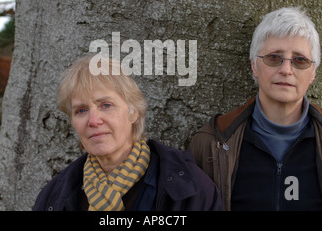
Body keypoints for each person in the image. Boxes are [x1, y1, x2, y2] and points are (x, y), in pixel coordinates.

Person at [189, 7, 322, 211]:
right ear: (254, 65)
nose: (286, 70)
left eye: (300, 60)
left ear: (313, 73)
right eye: (274, 57)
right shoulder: (210, 143)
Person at [33, 55, 223, 211]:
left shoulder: (189, 188)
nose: (93, 120)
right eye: (81, 110)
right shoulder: (53, 197)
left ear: (133, 112)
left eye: (106, 105)